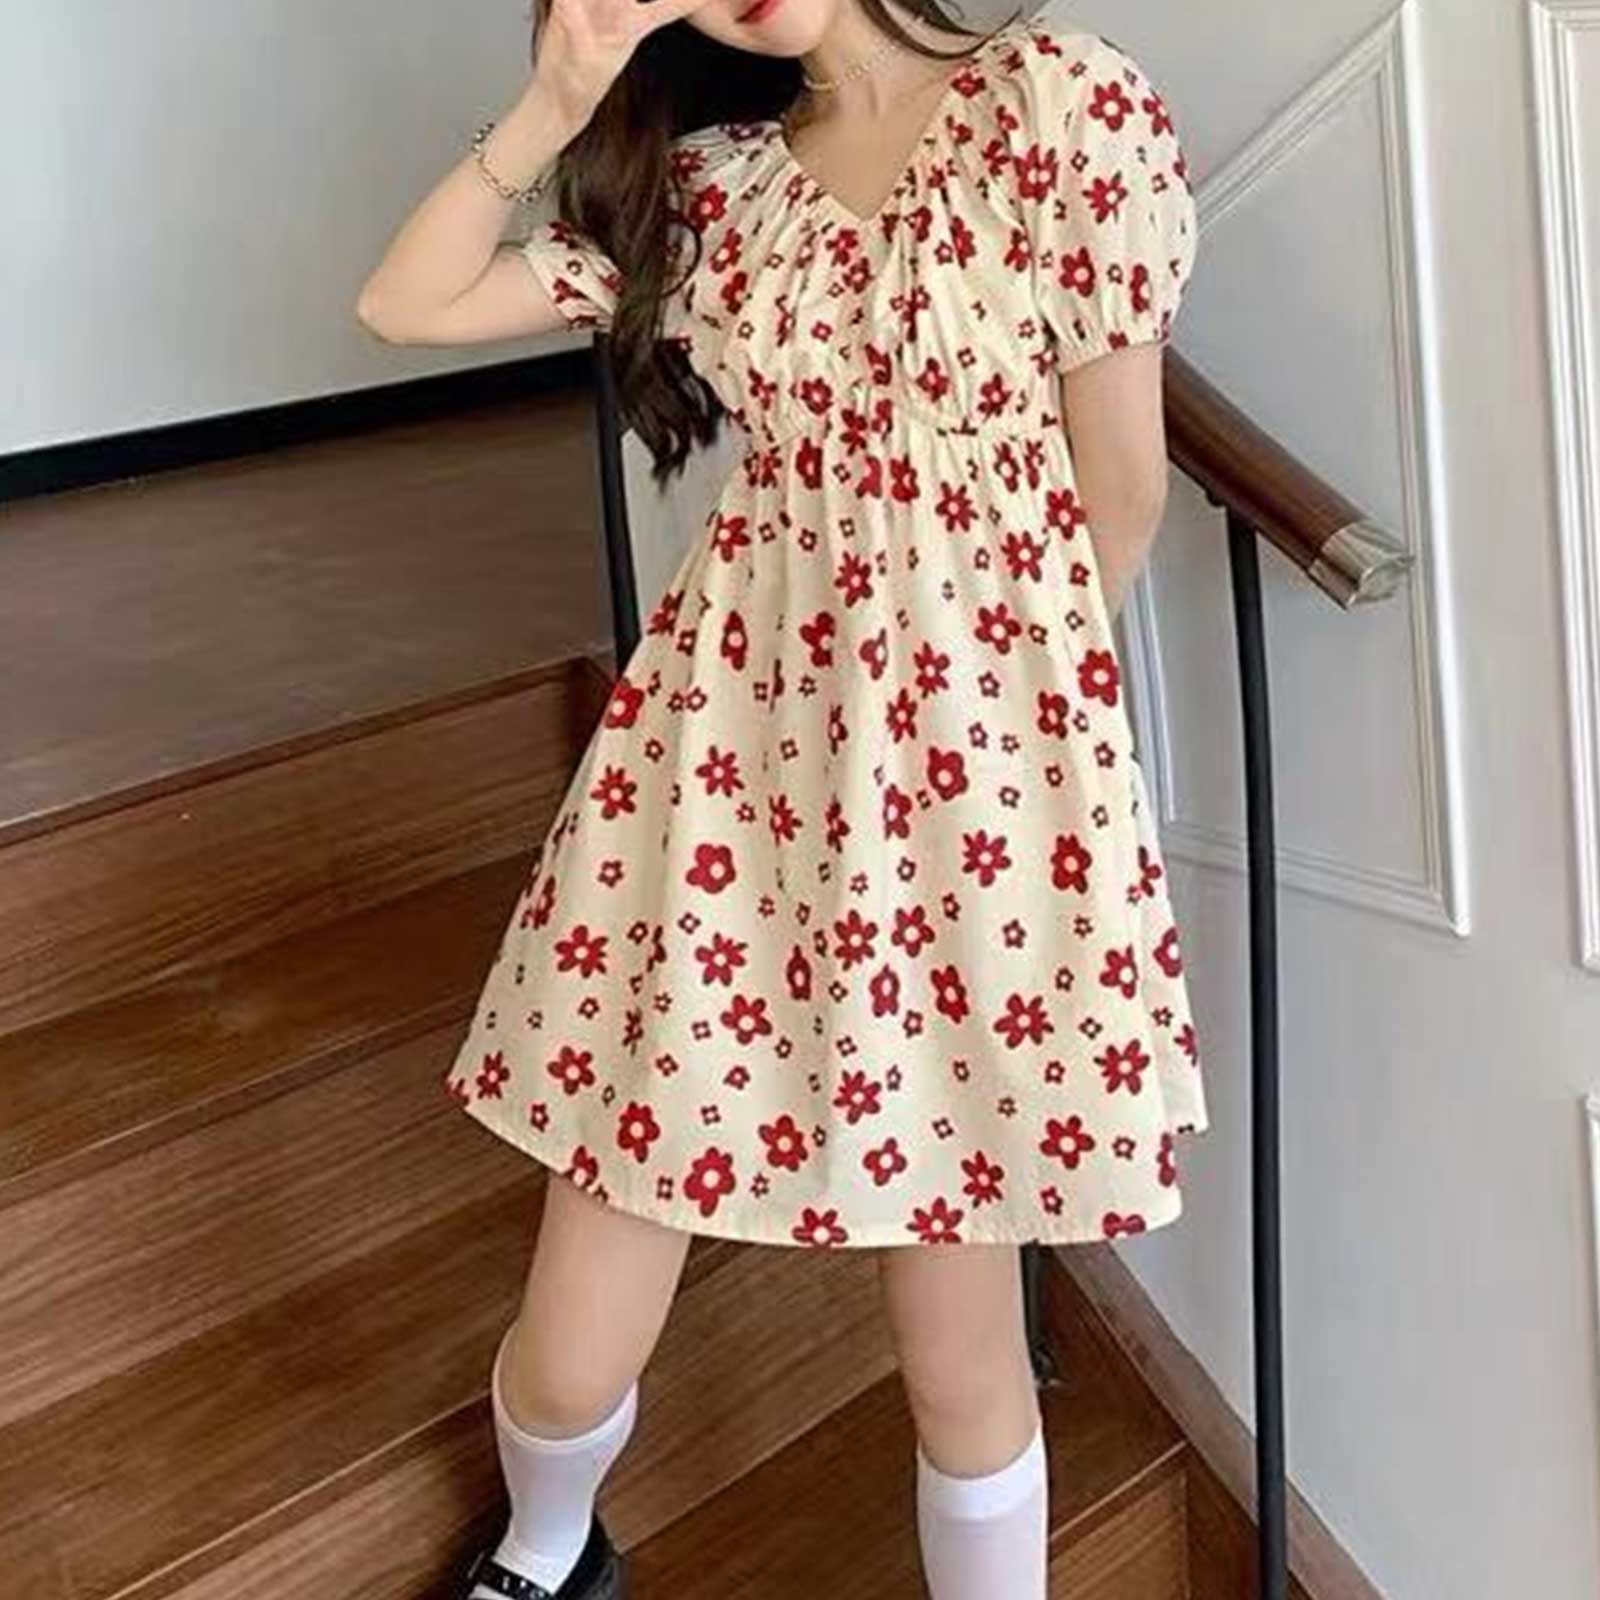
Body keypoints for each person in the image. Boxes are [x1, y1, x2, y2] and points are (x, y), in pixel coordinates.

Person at [356, 0, 1209, 1593]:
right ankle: (545, 1549)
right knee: (571, 1342)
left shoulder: (1060, 104)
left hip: (970, 802)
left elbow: (1121, 495)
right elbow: (403, 305)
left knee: (962, 1358)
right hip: (720, 783)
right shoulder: (713, 190)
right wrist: (555, 101)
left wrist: (987, 763)